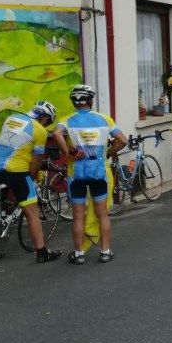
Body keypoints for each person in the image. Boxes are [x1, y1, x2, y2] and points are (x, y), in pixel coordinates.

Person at [53, 85, 127, 265]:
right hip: (99, 172)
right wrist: (108, 152)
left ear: (74, 102)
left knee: (78, 214)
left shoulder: (67, 120)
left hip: (76, 173)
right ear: (91, 101)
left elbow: (56, 133)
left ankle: (79, 254)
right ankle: (105, 251)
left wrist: (69, 151)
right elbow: (123, 140)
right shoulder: (104, 119)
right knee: (103, 214)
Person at [0, 101, 62, 263]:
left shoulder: (11, 118)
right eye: (48, 121)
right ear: (44, 117)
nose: (47, 125)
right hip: (17, 172)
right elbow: (36, 161)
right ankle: (42, 252)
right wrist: (31, 179)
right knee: (32, 213)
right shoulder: (39, 130)